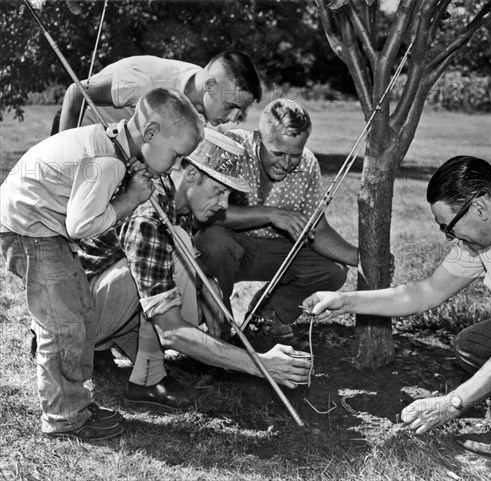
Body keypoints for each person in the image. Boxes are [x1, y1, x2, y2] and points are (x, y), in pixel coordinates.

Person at [302, 156, 491, 460]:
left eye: (449, 228)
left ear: (480, 208)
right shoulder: (486, 237)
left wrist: (452, 403)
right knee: (471, 346)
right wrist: (345, 301)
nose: (449, 238)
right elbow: (426, 292)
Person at [0, 88, 204, 441]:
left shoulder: (113, 143)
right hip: (30, 230)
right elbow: (80, 226)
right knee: (63, 324)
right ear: (151, 134)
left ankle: (76, 401)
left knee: (81, 312)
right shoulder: (107, 161)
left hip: (42, 227)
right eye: (175, 156)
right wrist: (130, 199)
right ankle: (64, 418)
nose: (174, 167)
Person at [78, 131, 311, 411]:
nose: (224, 205)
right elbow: (171, 331)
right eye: (219, 191)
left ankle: (109, 351)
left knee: (194, 274)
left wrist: (206, 284)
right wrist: (262, 365)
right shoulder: (150, 217)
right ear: (190, 176)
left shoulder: (173, 198)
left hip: (105, 307)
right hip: (77, 322)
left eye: (229, 195)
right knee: (172, 256)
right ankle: (146, 382)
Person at [194, 99, 359, 340]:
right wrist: (271, 214)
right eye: (278, 153)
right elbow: (207, 212)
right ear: (259, 139)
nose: (286, 163)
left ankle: (267, 315)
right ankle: (221, 322)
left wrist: (360, 257)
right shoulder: (233, 148)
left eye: (295, 154)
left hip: (276, 252)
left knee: (333, 271)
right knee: (212, 240)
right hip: (228, 248)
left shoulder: (308, 164)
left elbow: (318, 230)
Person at [57, 50, 262, 132]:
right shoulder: (149, 83)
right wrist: (64, 157)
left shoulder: (203, 94)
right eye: (231, 106)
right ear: (209, 86)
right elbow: (76, 93)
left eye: (240, 111)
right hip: (80, 133)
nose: (234, 118)